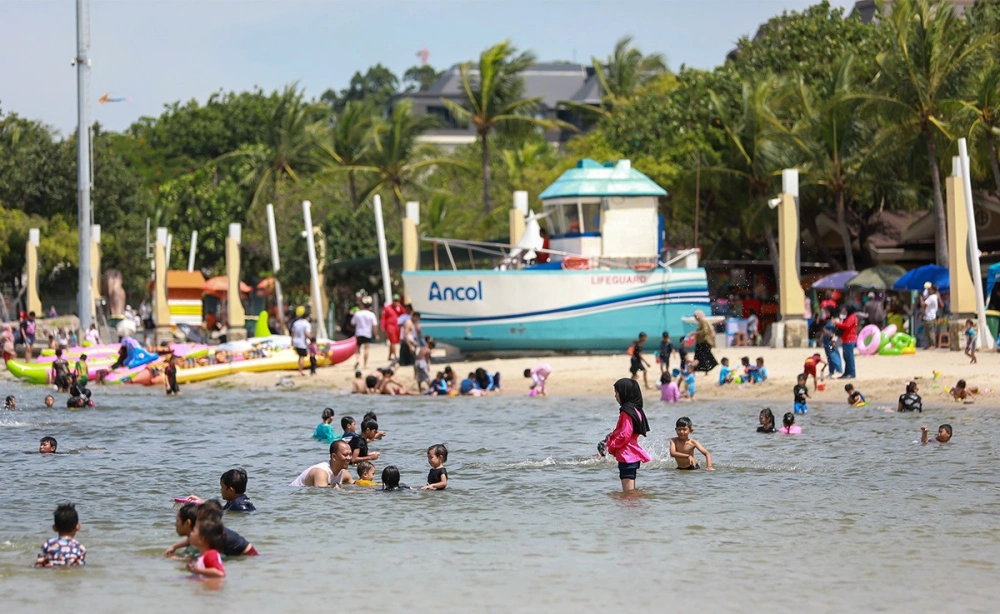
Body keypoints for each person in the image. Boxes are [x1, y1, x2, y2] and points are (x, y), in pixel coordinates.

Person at [603, 379, 652, 491]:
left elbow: (625, 434)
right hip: (631, 453)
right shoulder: (636, 410)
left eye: (617, 392)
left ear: (625, 393)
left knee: (628, 494)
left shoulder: (626, 411)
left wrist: (612, 447)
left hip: (626, 455)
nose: (615, 396)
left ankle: (631, 507)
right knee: (630, 491)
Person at [164, 501, 258, 559]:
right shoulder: (205, 530)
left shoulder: (210, 531)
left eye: (200, 517)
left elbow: (199, 554)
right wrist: (175, 546)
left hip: (247, 554)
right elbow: (191, 541)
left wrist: (178, 558)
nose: (198, 519)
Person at [35, 503, 86, 567]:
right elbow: (81, 566)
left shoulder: (47, 544)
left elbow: (39, 563)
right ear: (78, 527)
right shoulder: (80, 548)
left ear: (54, 527)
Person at [290, 439, 355, 487]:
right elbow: (322, 493)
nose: (349, 458)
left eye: (350, 454)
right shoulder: (321, 471)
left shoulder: (343, 473)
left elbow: (356, 484)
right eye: (345, 455)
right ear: (334, 456)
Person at [351, 301, 379, 370]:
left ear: (362, 306)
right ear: (369, 307)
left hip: (358, 333)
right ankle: (365, 364)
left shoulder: (357, 313)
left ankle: (357, 360)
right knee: (366, 349)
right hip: (367, 333)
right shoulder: (371, 314)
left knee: (357, 348)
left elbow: (352, 323)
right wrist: (376, 334)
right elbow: (374, 325)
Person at [833, 305, 858, 378]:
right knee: (846, 357)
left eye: (844, 310)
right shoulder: (848, 317)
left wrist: (837, 323)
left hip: (850, 339)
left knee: (849, 357)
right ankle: (847, 373)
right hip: (845, 339)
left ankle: (852, 373)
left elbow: (847, 326)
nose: (843, 312)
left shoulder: (852, 317)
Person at [381, 294, 405, 364]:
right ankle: (395, 355)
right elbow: (383, 318)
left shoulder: (399, 308)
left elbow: (404, 313)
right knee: (393, 341)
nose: (396, 302)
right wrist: (383, 327)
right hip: (390, 326)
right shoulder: (387, 308)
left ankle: (389, 355)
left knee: (394, 342)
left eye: (397, 300)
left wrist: (400, 307)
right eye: (395, 300)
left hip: (398, 327)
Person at [820, 308, 843, 376]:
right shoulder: (827, 320)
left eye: (826, 312)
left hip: (832, 340)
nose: (825, 313)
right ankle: (831, 371)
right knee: (829, 356)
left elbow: (837, 331)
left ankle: (838, 370)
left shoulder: (835, 320)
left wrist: (834, 340)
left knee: (834, 355)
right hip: (826, 340)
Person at [291, 310, 312, 376]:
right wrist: (312, 340)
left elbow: (292, 333)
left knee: (300, 357)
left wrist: (292, 341)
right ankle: (300, 371)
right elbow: (307, 334)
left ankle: (299, 370)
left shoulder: (296, 323)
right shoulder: (307, 324)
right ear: (307, 317)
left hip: (296, 341)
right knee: (302, 357)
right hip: (302, 342)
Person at [920, 284, 940, 349]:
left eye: (930, 289)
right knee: (927, 332)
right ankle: (929, 344)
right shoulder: (933, 297)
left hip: (930, 317)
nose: (929, 290)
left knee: (930, 332)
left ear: (933, 290)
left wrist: (921, 299)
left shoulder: (932, 297)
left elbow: (924, 304)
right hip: (929, 316)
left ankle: (932, 345)